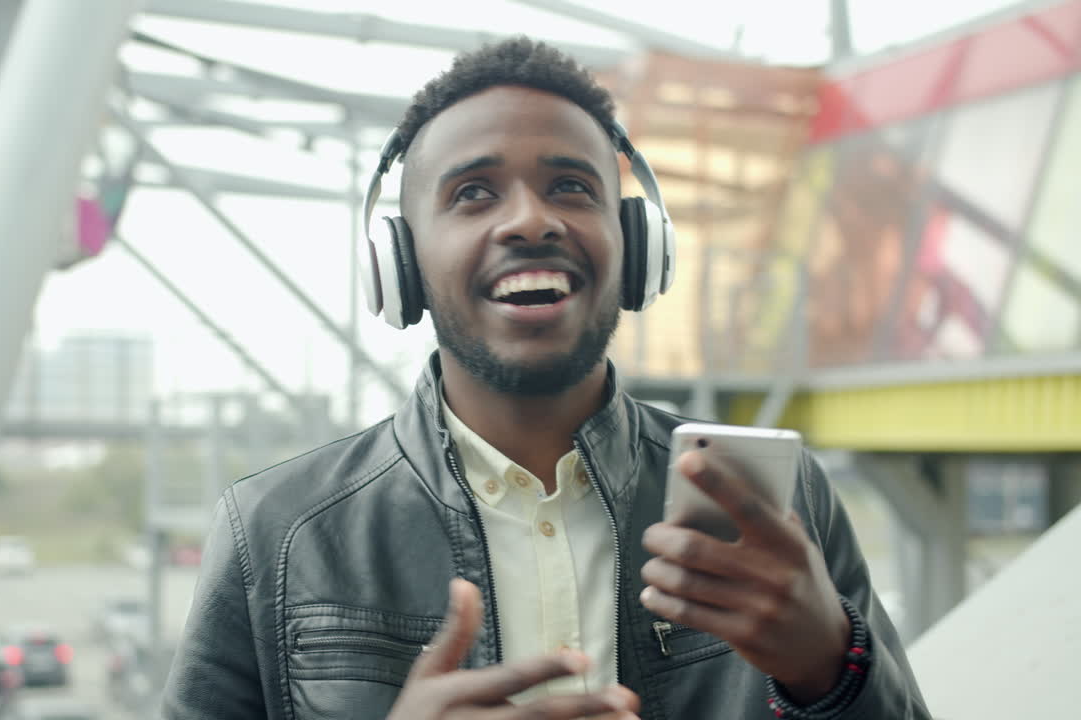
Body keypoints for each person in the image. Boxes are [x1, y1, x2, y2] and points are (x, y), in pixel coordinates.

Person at [161, 37, 930, 720]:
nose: (530, 220)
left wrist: (832, 670)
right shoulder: (273, 535)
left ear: (637, 243)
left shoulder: (777, 506)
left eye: (571, 187)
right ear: (401, 263)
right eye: (473, 193)